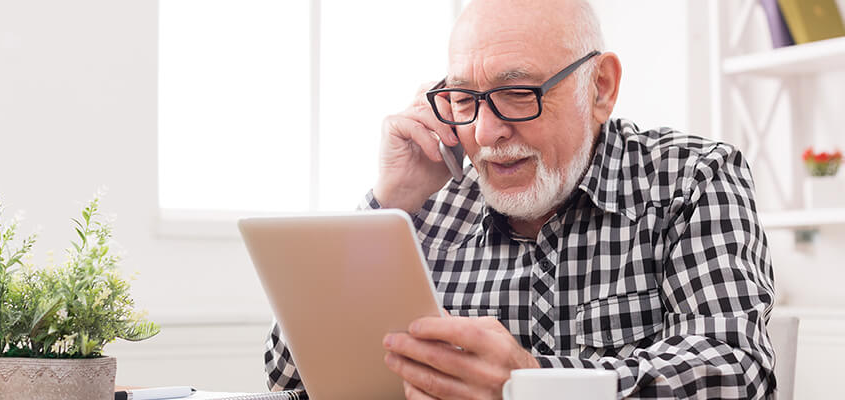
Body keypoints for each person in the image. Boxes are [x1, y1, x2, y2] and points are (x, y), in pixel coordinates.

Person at [265, 0, 776, 398]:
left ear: (600, 88)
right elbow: (290, 377)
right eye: (464, 99)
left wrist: (530, 384)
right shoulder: (426, 206)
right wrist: (391, 203)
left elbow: (737, 374)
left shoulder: (692, 178)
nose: (486, 133)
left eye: (518, 93)